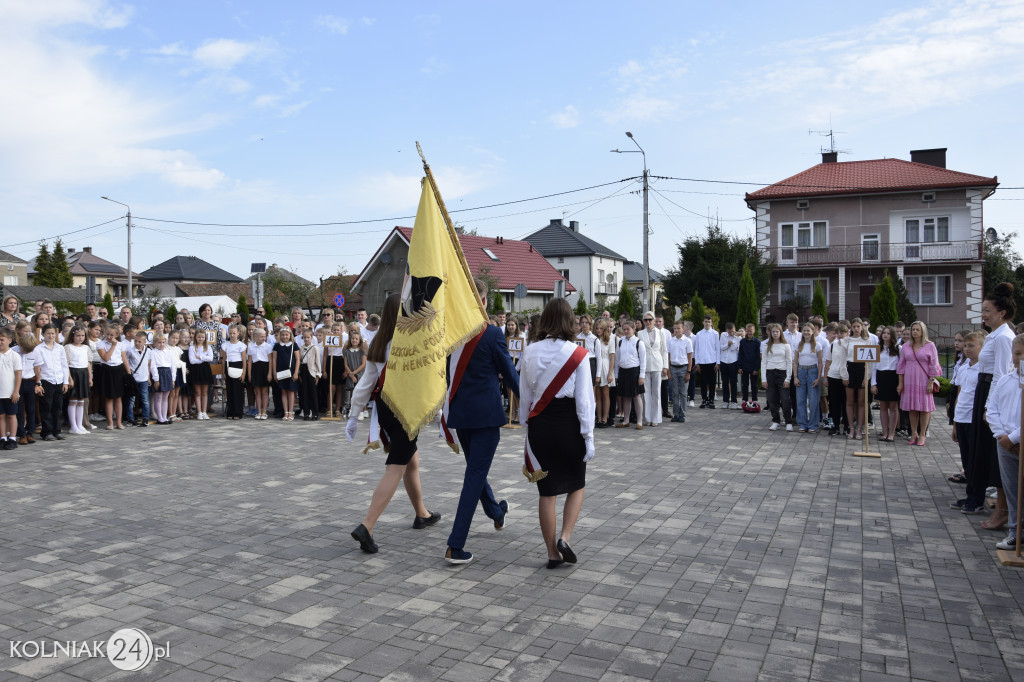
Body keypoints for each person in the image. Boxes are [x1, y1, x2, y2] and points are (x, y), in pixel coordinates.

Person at [346, 294, 438, 554]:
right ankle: (368, 525)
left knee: (412, 459)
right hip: (406, 410)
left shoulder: (378, 340)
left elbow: (366, 383)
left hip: (386, 408)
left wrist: (354, 414)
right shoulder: (411, 340)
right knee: (395, 467)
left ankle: (421, 513)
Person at [442, 279, 519, 565]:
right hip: (485, 416)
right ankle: (455, 544)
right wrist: (531, 403)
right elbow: (509, 373)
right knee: (474, 476)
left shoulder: (453, 333)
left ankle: (497, 513)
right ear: (484, 301)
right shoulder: (492, 333)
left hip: (461, 414)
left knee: (476, 470)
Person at [518, 298, 594, 568]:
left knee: (546, 492)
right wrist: (589, 436)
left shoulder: (530, 351)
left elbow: (525, 396)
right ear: (569, 321)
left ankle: (552, 553)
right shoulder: (578, 353)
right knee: (577, 484)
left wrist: (527, 427)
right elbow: (585, 401)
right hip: (569, 425)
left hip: (541, 425)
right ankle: (565, 538)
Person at [971, 283, 1017, 531]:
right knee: (987, 455)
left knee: (995, 457)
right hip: (984, 389)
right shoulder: (995, 335)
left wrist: (990, 407)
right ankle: (1000, 508)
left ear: (1001, 312)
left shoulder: (1004, 337)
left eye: (987, 310)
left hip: (992, 392)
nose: (983, 314)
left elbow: (1001, 374)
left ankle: (1002, 512)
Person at [989, 333, 1024, 551]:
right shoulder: (1005, 380)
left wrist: (1014, 437)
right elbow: (992, 409)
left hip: (1016, 439)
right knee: (1011, 489)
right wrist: (1002, 435)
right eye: (1017, 353)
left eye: (1023, 354)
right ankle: (1015, 532)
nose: (1020, 358)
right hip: (1004, 442)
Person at [949, 330, 986, 514]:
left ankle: (977, 499)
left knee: (975, 460)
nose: (967, 349)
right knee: (966, 460)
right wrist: (955, 422)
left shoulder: (984, 369)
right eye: (965, 345)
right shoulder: (963, 367)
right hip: (962, 418)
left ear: (982, 347)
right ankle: (969, 494)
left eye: (972, 345)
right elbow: (960, 395)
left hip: (974, 420)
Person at [896, 321, 942, 446]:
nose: (915, 332)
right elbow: (901, 366)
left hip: (924, 379)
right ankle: (914, 433)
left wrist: (931, 382)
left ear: (923, 331)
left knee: (924, 408)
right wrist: (900, 383)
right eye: (913, 329)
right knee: (912, 408)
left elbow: (934, 365)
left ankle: (922, 434)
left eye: (917, 329)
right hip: (909, 379)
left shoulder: (930, 345)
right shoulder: (906, 346)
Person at [35, 325, 69, 440]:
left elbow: (64, 365)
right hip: (46, 380)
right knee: (46, 407)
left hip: (58, 380)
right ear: (43, 334)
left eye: (53, 333)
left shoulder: (60, 348)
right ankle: (47, 432)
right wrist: (38, 383)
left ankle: (57, 430)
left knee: (57, 407)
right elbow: (37, 367)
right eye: (48, 333)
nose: (51, 336)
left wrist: (66, 382)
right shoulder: (39, 349)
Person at [840, 318, 872, 440]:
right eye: (854, 326)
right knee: (849, 401)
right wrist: (844, 375)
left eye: (859, 326)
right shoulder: (846, 341)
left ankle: (860, 428)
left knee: (861, 402)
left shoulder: (867, 341)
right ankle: (851, 428)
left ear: (862, 327)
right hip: (850, 370)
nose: (856, 329)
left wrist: (866, 377)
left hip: (862, 369)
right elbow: (843, 360)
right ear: (851, 328)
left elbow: (869, 361)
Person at [871, 327, 901, 442]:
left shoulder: (899, 349)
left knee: (893, 406)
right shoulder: (877, 349)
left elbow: (902, 367)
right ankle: (884, 432)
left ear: (892, 335)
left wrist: (900, 383)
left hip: (893, 378)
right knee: (883, 406)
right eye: (884, 333)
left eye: (888, 333)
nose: (885, 335)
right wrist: (873, 384)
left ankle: (892, 433)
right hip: (881, 377)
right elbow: (873, 367)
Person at [637, 312, 668, 426]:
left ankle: (656, 418)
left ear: (654, 321)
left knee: (656, 392)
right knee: (646, 393)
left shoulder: (661, 333)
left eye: (650, 320)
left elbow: (664, 350)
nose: (648, 322)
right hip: (645, 365)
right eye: (645, 320)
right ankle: (647, 418)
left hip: (657, 364)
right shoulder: (640, 333)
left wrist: (665, 366)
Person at [761, 323, 793, 431]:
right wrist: (764, 379)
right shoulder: (766, 346)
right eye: (773, 332)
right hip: (770, 374)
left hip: (782, 374)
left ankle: (788, 421)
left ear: (780, 333)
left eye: (777, 331)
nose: (775, 333)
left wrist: (788, 378)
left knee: (785, 399)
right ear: (770, 333)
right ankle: (776, 420)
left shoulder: (786, 346)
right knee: (771, 399)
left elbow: (789, 362)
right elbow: (764, 362)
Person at [614, 320, 645, 430]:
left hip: (634, 372)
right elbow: (617, 359)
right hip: (623, 371)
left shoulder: (638, 343)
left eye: (628, 329)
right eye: (624, 329)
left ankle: (639, 421)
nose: (626, 331)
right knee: (625, 397)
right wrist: (616, 375)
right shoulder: (620, 342)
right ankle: (626, 420)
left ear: (634, 329)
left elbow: (643, 361)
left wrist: (641, 376)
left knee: (636, 397)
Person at [792, 323, 822, 433]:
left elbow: (820, 362)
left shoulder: (817, 345)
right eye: (804, 330)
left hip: (813, 371)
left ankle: (813, 424)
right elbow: (795, 362)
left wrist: (819, 377)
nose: (806, 332)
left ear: (813, 331)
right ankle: (802, 423)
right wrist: (795, 377)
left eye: (808, 330)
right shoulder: (798, 345)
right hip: (801, 371)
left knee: (814, 400)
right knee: (801, 399)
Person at [63, 326, 92, 435]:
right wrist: (69, 378)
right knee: (73, 400)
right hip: (73, 373)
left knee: (81, 401)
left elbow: (88, 363)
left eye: (82, 335)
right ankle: (73, 426)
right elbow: (66, 364)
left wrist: (89, 377)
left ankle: (80, 425)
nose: (80, 338)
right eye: (78, 335)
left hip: (83, 373)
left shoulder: (86, 348)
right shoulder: (68, 347)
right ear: (72, 336)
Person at [271, 327, 300, 421]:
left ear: (290, 335)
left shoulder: (294, 345)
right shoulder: (277, 345)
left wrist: (296, 372)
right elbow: (274, 360)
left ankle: (291, 412)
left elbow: (298, 360)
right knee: (283, 391)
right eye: (282, 335)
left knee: (291, 392)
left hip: (291, 372)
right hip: (280, 371)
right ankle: (286, 412)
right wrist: (275, 373)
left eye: (286, 335)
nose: (284, 336)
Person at [125, 331, 154, 427]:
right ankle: (130, 418)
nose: (137, 343)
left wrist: (149, 377)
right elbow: (126, 362)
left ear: (144, 341)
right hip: (134, 378)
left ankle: (145, 418)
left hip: (144, 378)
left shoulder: (149, 351)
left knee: (145, 399)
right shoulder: (130, 350)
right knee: (131, 399)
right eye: (135, 341)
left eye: (139, 341)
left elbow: (148, 365)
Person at [0, 328, 22, 449]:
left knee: (11, 415)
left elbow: (18, 374)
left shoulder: (14, 355)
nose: (0, 342)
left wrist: (16, 391)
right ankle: (2, 437)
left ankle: (12, 438)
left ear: (9, 340)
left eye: (2, 340)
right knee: (1, 416)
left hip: (10, 392)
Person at [667, 321, 692, 423]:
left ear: (683, 329)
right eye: (675, 329)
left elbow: (690, 358)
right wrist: (668, 370)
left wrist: (688, 372)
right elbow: (668, 357)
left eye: (678, 328)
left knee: (683, 393)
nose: (676, 330)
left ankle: (682, 413)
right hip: (673, 368)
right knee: (675, 393)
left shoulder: (687, 341)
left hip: (683, 368)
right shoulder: (671, 341)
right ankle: (676, 413)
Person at [593, 319, 616, 427]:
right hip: (597, 367)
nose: (599, 330)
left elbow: (612, 358)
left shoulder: (610, 340)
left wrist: (610, 373)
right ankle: (599, 417)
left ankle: (605, 418)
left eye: (601, 328)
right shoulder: (593, 339)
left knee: (605, 394)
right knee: (597, 395)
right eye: (597, 328)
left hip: (606, 367)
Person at [693, 315, 720, 408]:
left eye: (709, 322)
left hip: (712, 361)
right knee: (703, 382)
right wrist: (697, 363)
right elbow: (696, 349)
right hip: (702, 362)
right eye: (706, 321)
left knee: (712, 382)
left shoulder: (715, 334)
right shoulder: (699, 334)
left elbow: (717, 348)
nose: (707, 323)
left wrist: (718, 362)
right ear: (703, 322)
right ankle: (704, 399)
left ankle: (711, 400)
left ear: (711, 323)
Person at [222, 325, 248, 420]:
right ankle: (230, 411)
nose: (232, 335)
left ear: (238, 333)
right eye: (231, 333)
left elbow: (244, 360)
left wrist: (244, 373)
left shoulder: (241, 345)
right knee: (230, 391)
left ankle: (238, 412)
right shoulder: (226, 345)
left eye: (234, 333)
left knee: (238, 391)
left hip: (238, 366)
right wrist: (223, 372)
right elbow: (224, 359)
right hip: (228, 366)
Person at [189, 330, 214, 420]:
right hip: (196, 370)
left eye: (202, 337)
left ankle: (204, 411)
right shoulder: (192, 347)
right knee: (197, 392)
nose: (201, 339)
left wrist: (200, 357)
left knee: (204, 392)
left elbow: (210, 358)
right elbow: (192, 360)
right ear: (195, 337)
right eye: (199, 337)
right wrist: (204, 358)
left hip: (205, 369)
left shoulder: (208, 347)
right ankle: (199, 412)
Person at [298, 329, 322, 420]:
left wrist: (318, 374)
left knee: (313, 393)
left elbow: (318, 362)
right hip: (303, 370)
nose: (306, 339)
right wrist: (299, 373)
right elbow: (300, 361)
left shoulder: (315, 348)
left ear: (312, 337)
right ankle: (306, 412)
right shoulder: (301, 348)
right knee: (304, 393)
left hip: (312, 371)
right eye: (304, 337)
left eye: (308, 337)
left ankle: (315, 412)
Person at [343, 328, 366, 419]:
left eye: (356, 339)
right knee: (353, 394)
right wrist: (351, 374)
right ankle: (353, 410)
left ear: (359, 340)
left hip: (360, 374)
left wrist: (354, 373)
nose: (354, 340)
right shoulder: (347, 351)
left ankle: (361, 411)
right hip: (350, 374)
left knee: (360, 393)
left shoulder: (362, 351)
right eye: (353, 338)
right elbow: (346, 364)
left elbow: (363, 364)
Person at [719, 322, 740, 409]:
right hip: (723, 361)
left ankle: (734, 401)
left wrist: (734, 340)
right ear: (726, 330)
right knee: (724, 382)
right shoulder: (723, 335)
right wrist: (728, 343)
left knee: (733, 382)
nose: (731, 333)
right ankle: (725, 401)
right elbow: (721, 347)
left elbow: (733, 348)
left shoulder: (738, 337)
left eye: (733, 331)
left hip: (733, 361)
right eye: (730, 332)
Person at [737, 323, 760, 405]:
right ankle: (744, 399)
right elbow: (740, 354)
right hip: (744, 366)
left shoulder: (757, 342)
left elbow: (758, 356)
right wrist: (739, 366)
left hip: (753, 366)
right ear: (746, 332)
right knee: (745, 385)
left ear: (753, 331)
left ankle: (754, 400)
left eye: (751, 331)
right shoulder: (742, 342)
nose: (749, 332)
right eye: (748, 331)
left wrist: (756, 368)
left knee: (754, 385)